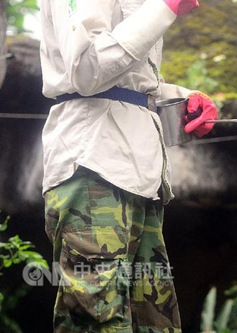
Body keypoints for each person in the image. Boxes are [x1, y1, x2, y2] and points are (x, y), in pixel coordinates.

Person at [39, 0, 217, 331]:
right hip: (92, 168)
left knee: (154, 323)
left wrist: (182, 101)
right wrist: (165, 7)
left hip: (141, 179)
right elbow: (86, 71)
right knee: (99, 322)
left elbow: (130, 87)